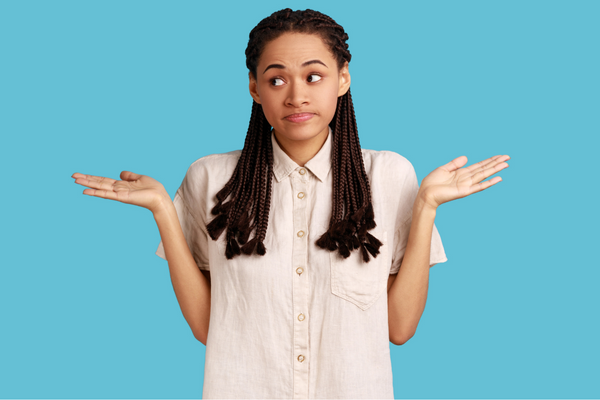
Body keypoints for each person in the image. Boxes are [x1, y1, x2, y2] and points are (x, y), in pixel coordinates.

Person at [72, 8, 510, 399]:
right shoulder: (210, 178)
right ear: (254, 87)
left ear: (343, 78)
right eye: (276, 78)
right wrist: (163, 212)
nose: (295, 95)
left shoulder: (389, 176)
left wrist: (428, 205)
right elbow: (210, 329)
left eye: (313, 76)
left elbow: (399, 329)